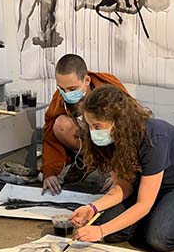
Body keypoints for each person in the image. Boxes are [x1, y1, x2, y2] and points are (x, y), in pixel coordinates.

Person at [70, 85, 174, 252]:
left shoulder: (154, 138)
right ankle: (155, 218)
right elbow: (123, 187)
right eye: (90, 125)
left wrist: (100, 231)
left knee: (158, 239)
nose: (93, 132)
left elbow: (144, 204)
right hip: (144, 186)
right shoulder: (111, 140)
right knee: (113, 232)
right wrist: (92, 208)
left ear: (118, 122)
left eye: (97, 126)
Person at [42, 54, 129, 195]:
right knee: (60, 125)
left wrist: (122, 173)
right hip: (85, 140)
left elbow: (129, 129)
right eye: (61, 89)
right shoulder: (60, 97)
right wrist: (49, 172)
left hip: (112, 144)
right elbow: (49, 136)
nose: (66, 94)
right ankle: (87, 161)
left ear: (87, 80)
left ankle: (108, 166)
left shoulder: (109, 89)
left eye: (72, 89)